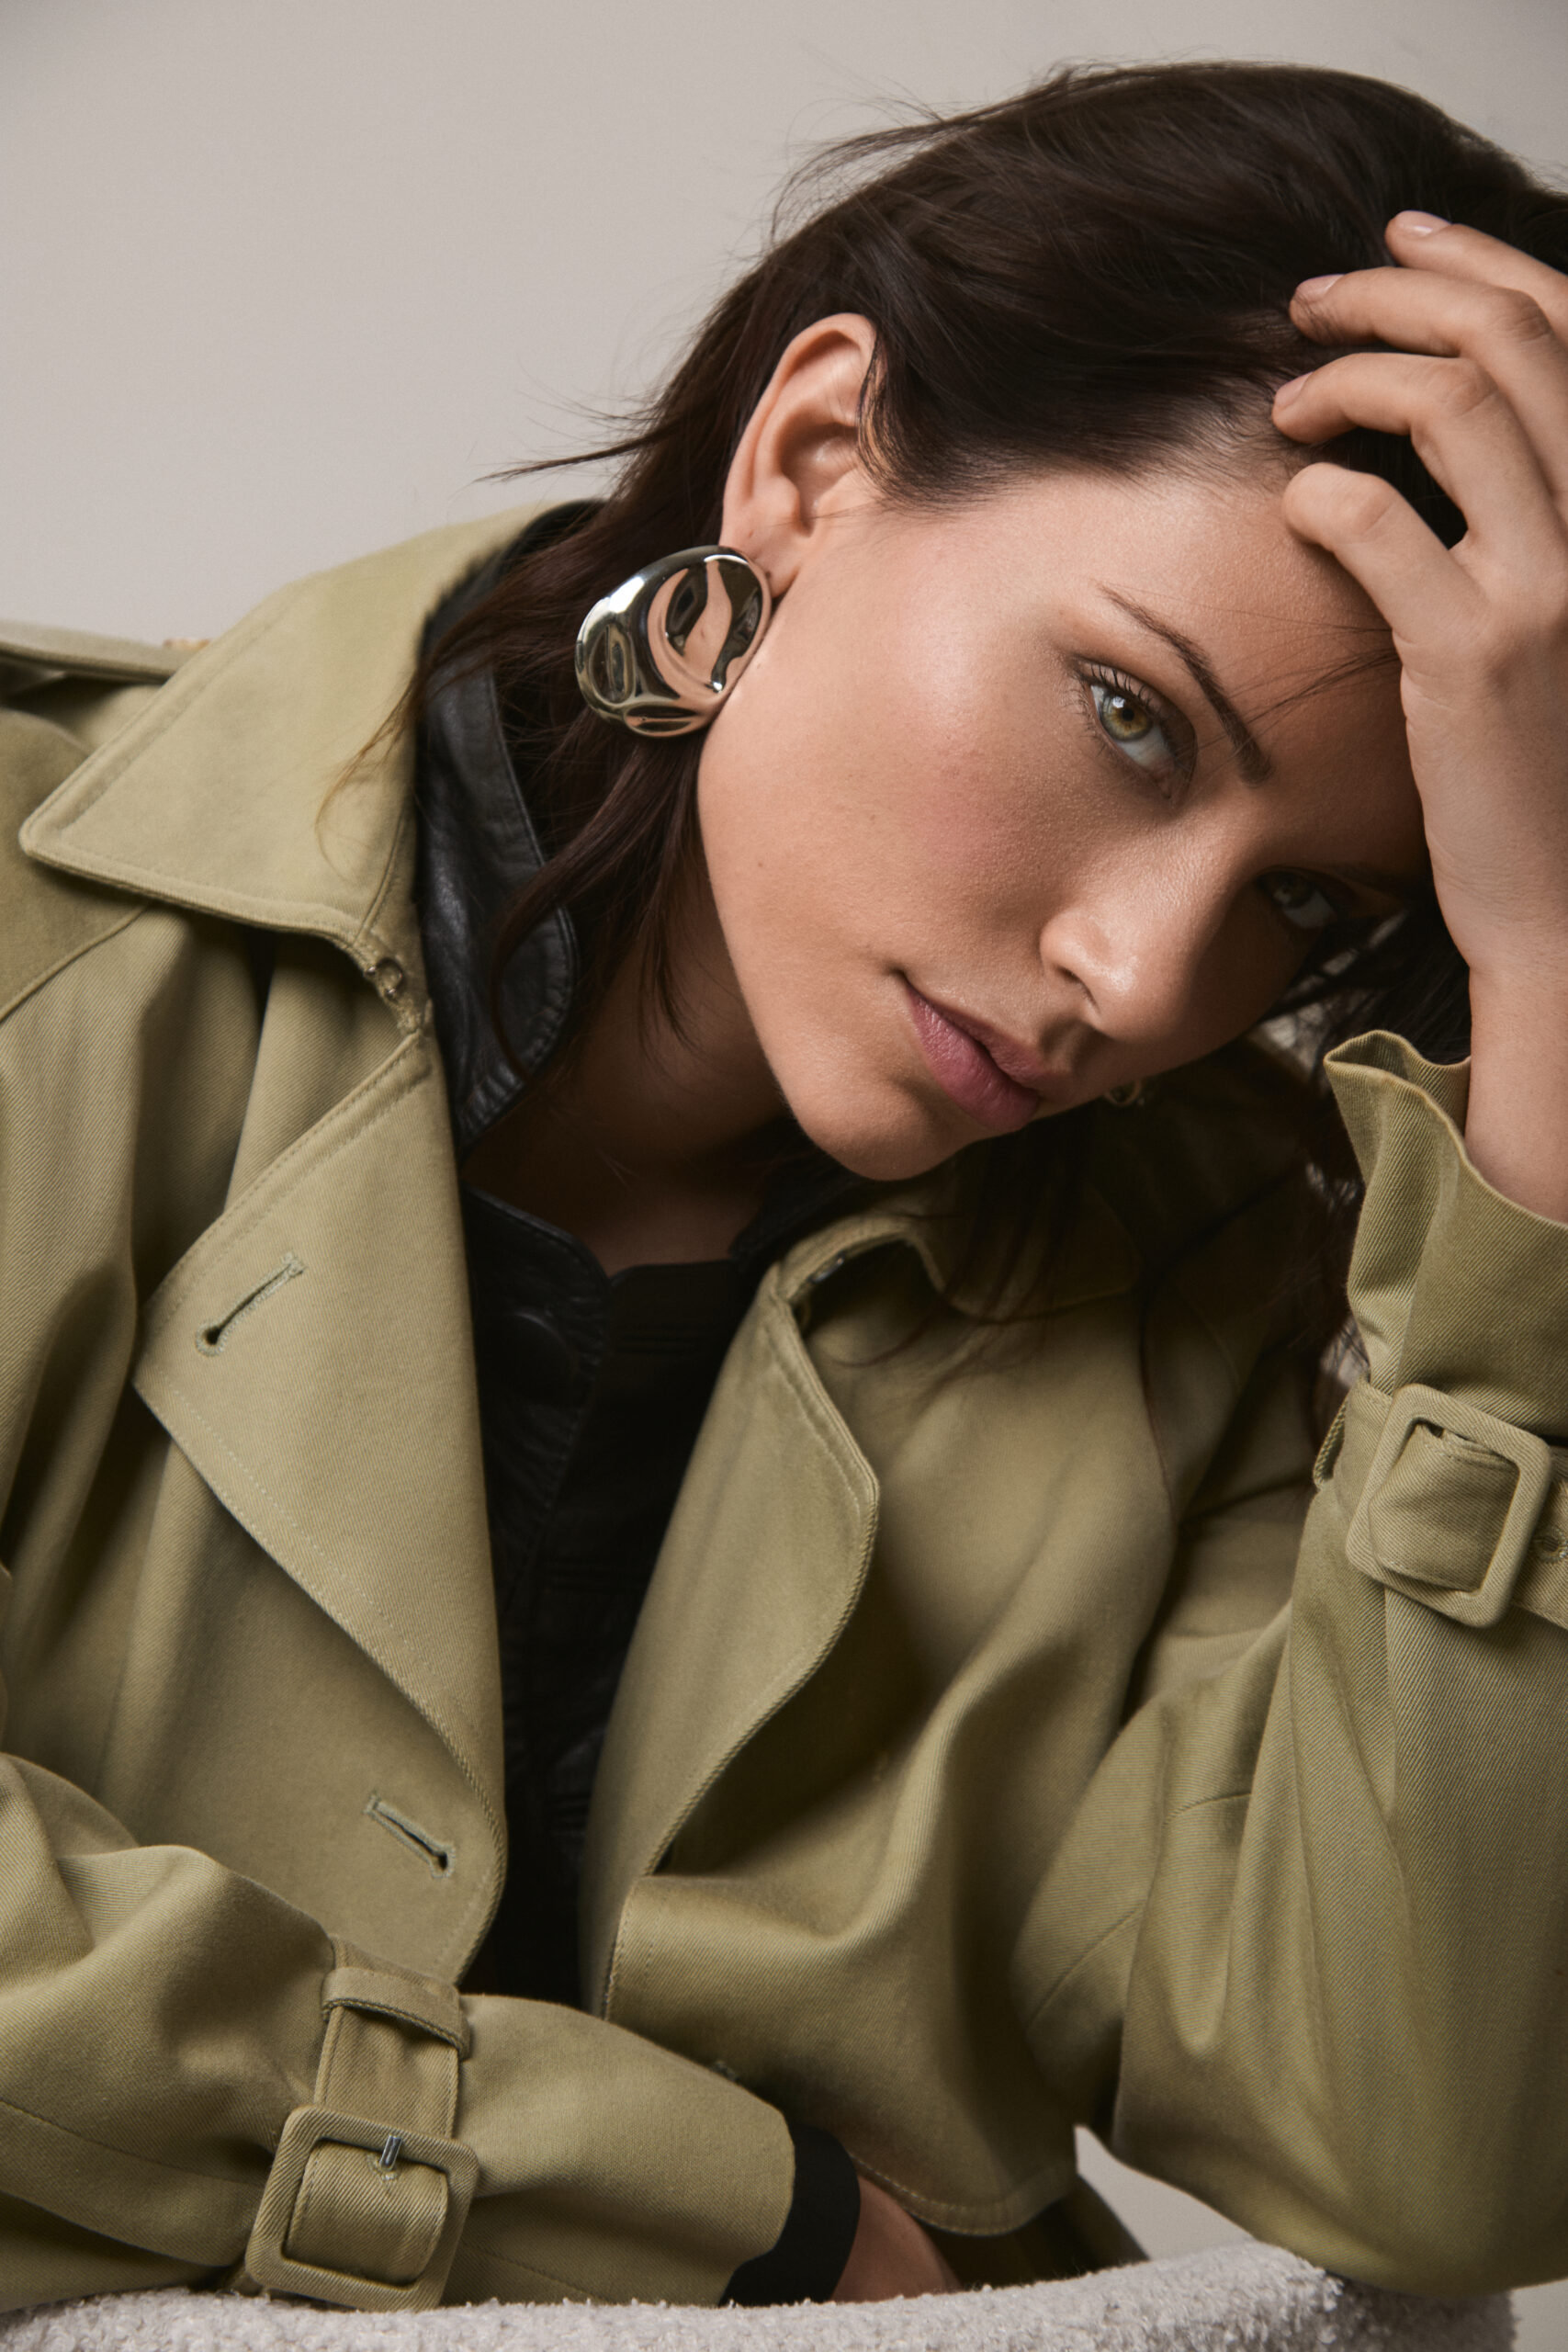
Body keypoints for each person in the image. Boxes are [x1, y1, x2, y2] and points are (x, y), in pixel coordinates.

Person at [2, 53, 1567, 2319]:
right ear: (816, 457)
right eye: (1130, 715)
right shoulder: (40, 943)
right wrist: (705, 2202)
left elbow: (1420, 2156)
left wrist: (1546, 1033)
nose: (1143, 980)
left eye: (1305, 906)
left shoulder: (1216, 1248)